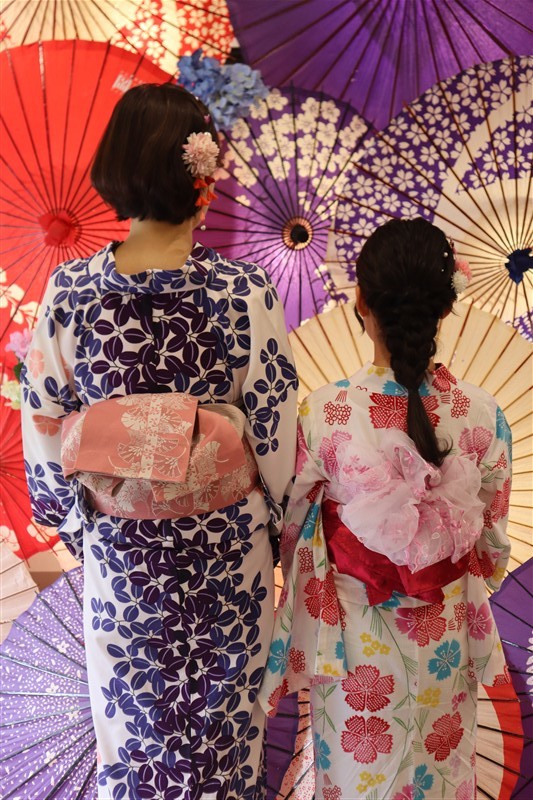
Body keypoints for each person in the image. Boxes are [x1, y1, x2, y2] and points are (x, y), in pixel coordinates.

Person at [20, 83, 298, 800]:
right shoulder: (241, 290)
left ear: (117, 169)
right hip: (227, 551)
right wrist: (275, 523)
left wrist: (79, 521)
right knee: (226, 731)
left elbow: (44, 422)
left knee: (133, 730)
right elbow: (273, 424)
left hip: (123, 551)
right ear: (202, 180)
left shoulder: (73, 291)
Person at [259, 218, 513, 799]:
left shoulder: (323, 413)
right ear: (444, 308)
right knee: (442, 774)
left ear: (361, 303)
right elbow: (492, 548)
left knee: (359, 780)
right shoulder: (481, 413)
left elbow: (293, 534)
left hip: (356, 643)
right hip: (445, 634)